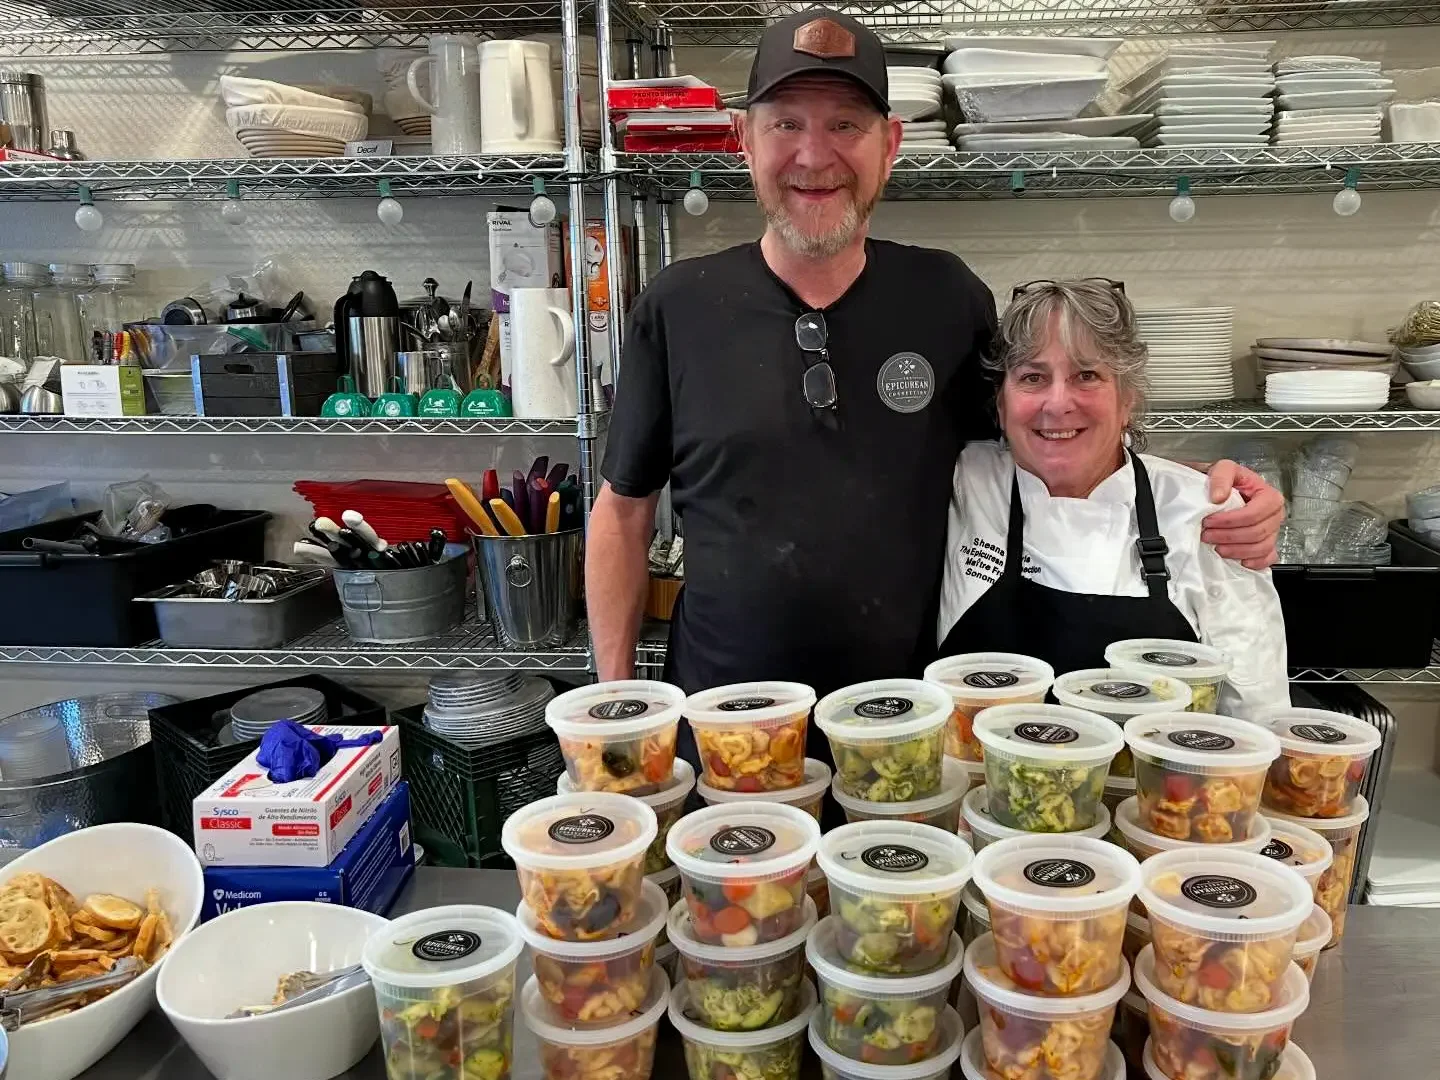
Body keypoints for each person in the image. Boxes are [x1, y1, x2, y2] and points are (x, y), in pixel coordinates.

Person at [588, 7, 1284, 712]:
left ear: (890, 145)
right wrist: (610, 705)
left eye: (845, 125)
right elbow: (622, 512)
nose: (814, 154)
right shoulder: (678, 305)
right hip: (725, 727)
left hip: (910, 732)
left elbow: (1043, 441)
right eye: (786, 123)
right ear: (744, 139)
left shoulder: (946, 297)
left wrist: (1202, 494)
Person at [937, 279, 1289, 714]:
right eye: (1032, 377)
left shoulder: (1203, 514)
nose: (1058, 403)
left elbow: (1255, 712)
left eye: (1087, 376)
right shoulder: (962, 480)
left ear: (1127, 399)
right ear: (1001, 403)